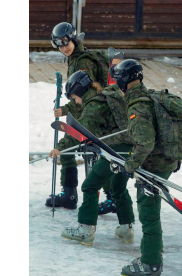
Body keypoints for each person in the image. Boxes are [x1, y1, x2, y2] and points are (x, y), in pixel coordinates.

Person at [110, 59, 180, 276]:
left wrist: (130, 165)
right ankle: (154, 251)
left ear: (123, 82)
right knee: (152, 210)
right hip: (166, 160)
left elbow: (145, 143)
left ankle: (150, 264)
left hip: (154, 165)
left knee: (148, 212)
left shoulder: (137, 105)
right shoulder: (149, 95)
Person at [49, 70, 135, 246]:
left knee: (89, 186)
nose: (75, 101)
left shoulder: (94, 104)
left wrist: (60, 148)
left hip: (115, 149)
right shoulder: (105, 97)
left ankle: (85, 230)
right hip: (130, 147)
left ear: (79, 92)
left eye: (74, 97)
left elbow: (79, 131)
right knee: (118, 187)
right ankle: (127, 229)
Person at [45, 22, 115, 212]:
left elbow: (86, 94)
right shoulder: (74, 58)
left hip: (90, 115)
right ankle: (70, 194)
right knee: (73, 152)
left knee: (96, 157)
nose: (64, 48)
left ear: (74, 39)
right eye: (60, 45)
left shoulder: (83, 61)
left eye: (66, 43)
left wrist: (69, 110)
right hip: (81, 113)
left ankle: (110, 197)